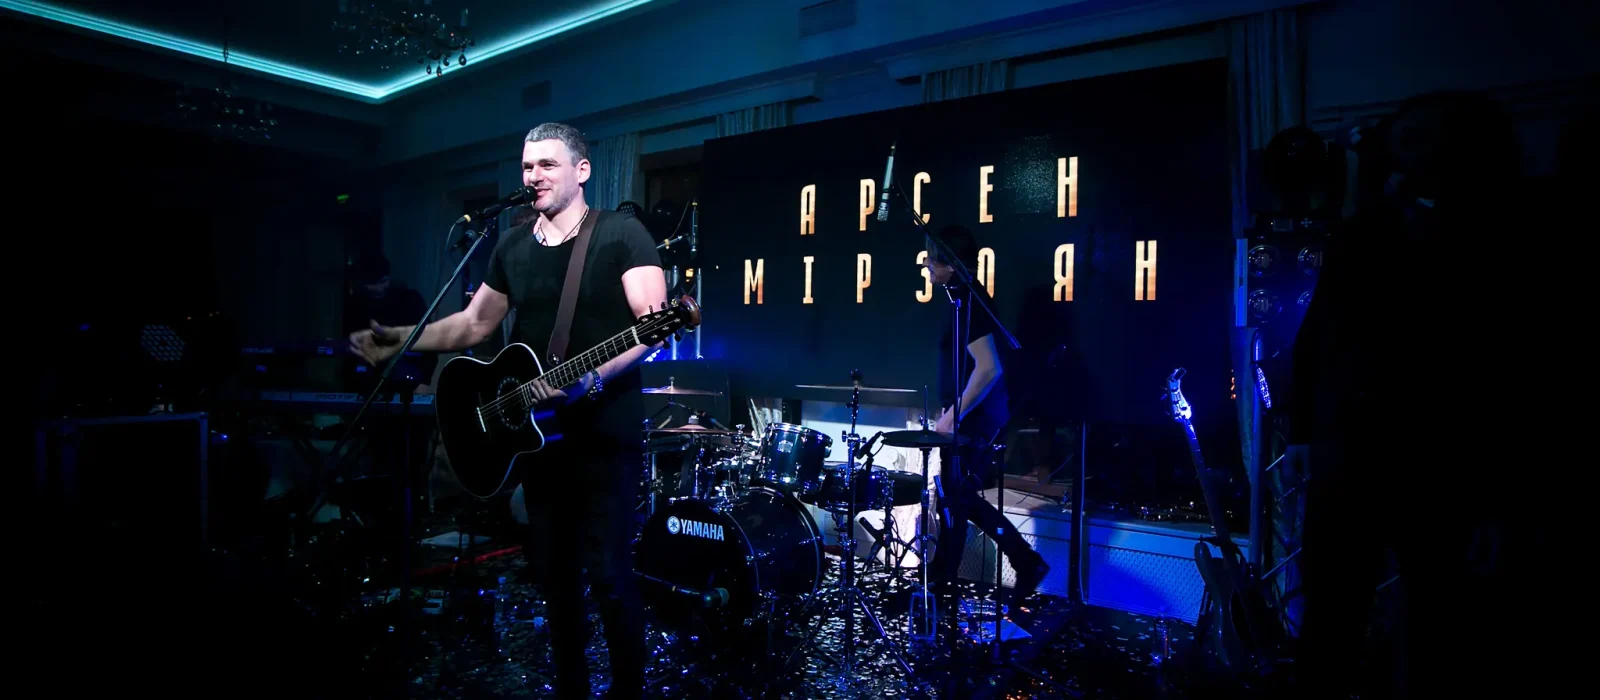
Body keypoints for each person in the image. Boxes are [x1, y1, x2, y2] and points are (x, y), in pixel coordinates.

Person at [349, 122, 666, 699]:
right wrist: (399, 339)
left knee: (609, 576)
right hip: (536, 436)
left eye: (547, 164)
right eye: (527, 166)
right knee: (555, 578)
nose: (534, 175)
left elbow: (653, 325)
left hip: (604, 434)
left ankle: (629, 691)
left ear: (582, 170)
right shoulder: (512, 245)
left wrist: (593, 377)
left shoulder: (622, 234)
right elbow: (474, 325)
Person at [1287, 92, 1526, 699]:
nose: (1404, 153)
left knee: (1438, 627)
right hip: (1353, 456)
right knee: (1331, 617)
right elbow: (1319, 333)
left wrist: (1497, 497)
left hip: (1443, 462)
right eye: (1403, 140)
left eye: (1419, 139)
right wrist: (1303, 433)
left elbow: (1507, 369)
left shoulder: (1499, 234)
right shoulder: (1364, 232)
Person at [924, 224, 1050, 599]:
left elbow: (989, 368)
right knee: (956, 500)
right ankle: (947, 580)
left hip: (975, 420)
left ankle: (943, 584)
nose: (926, 265)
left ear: (951, 263)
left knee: (955, 500)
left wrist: (952, 417)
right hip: (972, 418)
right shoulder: (962, 298)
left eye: (932, 259)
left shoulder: (971, 301)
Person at [342, 253, 437, 394]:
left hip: (408, 382)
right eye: (374, 283)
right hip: (366, 383)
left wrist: (424, 381)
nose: (381, 287)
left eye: (384, 281)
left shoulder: (410, 300)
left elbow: (429, 342)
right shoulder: (355, 306)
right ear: (363, 283)